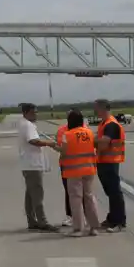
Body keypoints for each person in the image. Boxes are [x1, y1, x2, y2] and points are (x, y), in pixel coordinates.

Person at [59, 109, 101, 237]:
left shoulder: (67, 135)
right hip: (89, 169)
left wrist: (56, 147)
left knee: (76, 199)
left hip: (74, 171)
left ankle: (78, 228)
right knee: (89, 197)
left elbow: (64, 153)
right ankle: (94, 227)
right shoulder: (89, 132)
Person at [15, 102, 56, 231]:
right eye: (33, 112)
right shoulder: (27, 125)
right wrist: (49, 143)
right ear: (25, 113)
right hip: (32, 165)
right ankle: (42, 221)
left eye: (36, 112)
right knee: (37, 194)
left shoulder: (24, 123)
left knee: (30, 195)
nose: (36, 114)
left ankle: (32, 221)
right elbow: (33, 141)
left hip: (28, 164)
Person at [93, 98, 127, 231]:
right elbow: (99, 140)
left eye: (96, 108)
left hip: (110, 162)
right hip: (103, 161)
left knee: (114, 192)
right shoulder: (103, 124)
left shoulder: (111, 125)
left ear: (103, 108)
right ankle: (112, 218)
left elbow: (103, 143)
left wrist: (92, 141)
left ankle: (119, 221)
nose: (95, 111)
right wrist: (96, 140)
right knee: (110, 192)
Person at [54, 122, 71, 227]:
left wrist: (54, 146)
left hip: (81, 164)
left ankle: (83, 215)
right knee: (69, 191)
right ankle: (70, 215)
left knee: (84, 193)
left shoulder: (85, 129)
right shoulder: (61, 130)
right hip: (66, 165)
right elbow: (61, 146)